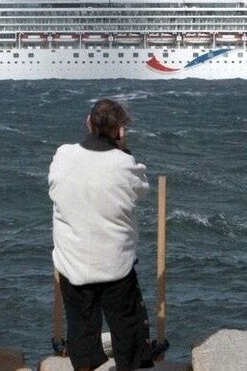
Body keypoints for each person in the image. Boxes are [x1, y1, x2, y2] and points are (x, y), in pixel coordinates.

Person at [48, 98, 154, 371]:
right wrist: (122, 149)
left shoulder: (63, 155)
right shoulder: (124, 163)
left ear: (88, 122)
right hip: (114, 263)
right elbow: (142, 189)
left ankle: (84, 366)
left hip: (73, 261)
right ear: (120, 130)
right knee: (127, 326)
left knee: (80, 326)